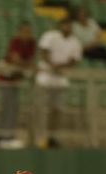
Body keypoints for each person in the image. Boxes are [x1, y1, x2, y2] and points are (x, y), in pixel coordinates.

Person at [35, 17, 82, 148]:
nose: (67, 27)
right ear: (60, 25)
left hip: (61, 79)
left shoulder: (75, 42)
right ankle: (39, 136)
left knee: (57, 110)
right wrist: (52, 65)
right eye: (65, 25)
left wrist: (60, 67)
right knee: (41, 109)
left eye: (70, 25)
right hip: (45, 77)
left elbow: (74, 60)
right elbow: (44, 52)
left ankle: (52, 136)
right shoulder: (50, 36)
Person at [0, 21, 36, 148]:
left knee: (14, 109)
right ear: (19, 32)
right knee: (6, 108)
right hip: (5, 79)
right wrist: (25, 65)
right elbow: (15, 58)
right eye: (24, 31)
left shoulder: (31, 43)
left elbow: (30, 61)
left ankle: (10, 136)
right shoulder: (15, 41)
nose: (26, 34)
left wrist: (24, 65)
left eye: (28, 32)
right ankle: (2, 136)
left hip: (16, 80)